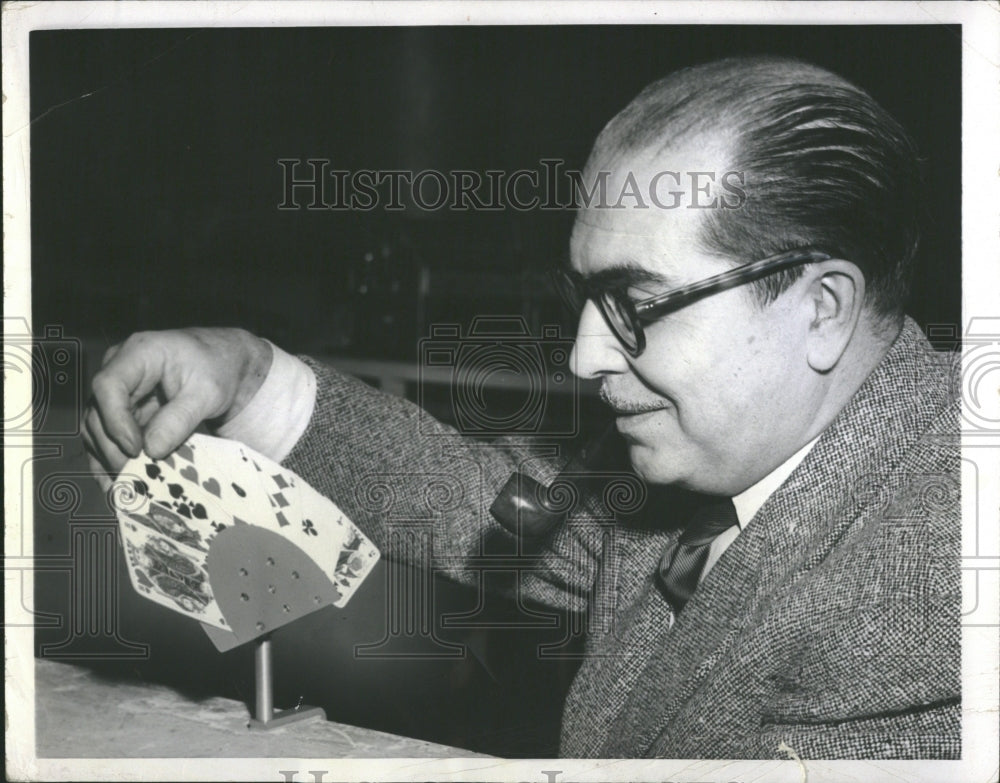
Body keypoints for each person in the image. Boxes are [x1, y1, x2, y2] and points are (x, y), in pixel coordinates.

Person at [84, 55, 960, 759]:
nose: (585, 355)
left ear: (822, 309)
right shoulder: (744, 455)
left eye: (636, 303)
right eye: (583, 299)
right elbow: (477, 502)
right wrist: (248, 376)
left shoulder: (932, 589)